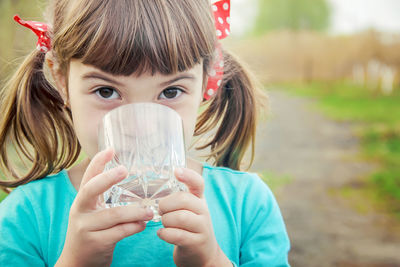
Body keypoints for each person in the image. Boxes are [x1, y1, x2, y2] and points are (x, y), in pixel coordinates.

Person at [0, 0, 290, 266]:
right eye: (106, 91)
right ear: (62, 80)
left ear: (205, 82)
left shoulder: (247, 204)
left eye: (171, 91)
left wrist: (212, 260)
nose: (141, 128)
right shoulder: (26, 216)